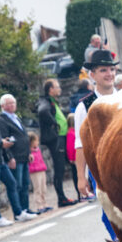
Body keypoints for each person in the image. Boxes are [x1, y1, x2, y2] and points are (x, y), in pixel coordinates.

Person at [74, 48, 122, 242]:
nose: (109, 74)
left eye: (112, 69)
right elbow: (79, 144)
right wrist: (81, 177)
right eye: (103, 70)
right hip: (100, 168)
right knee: (110, 214)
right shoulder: (84, 106)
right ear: (92, 75)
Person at [0, 97, 34, 227]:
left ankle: (18, 212)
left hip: (0, 159)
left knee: (12, 183)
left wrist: (6, 152)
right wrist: (1, 143)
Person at [37, 79, 75, 207]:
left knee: (64, 166)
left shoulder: (53, 101)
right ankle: (61, 198)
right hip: (56, 138)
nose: (59, 89)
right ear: (50, 90)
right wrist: (54, 123)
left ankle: (64, 196)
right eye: (57, 87)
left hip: (62, 137)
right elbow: (42, 111)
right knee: (59, 168)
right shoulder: (45, 101)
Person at [28, 132, 49, 212]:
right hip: (35, 171)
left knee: (43, 187)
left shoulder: (38, 150)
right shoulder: (29, 152)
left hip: (41, 169)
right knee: (37, 188)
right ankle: (39, 205)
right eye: (36, 141)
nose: (38, 142)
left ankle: (44, 202)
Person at [65, 114, 78, 197]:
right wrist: (71, 158)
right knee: (77, 175)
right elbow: (70, 147)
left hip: (76, 157)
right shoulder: (71, 133)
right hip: (75, 158)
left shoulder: (73, 132)